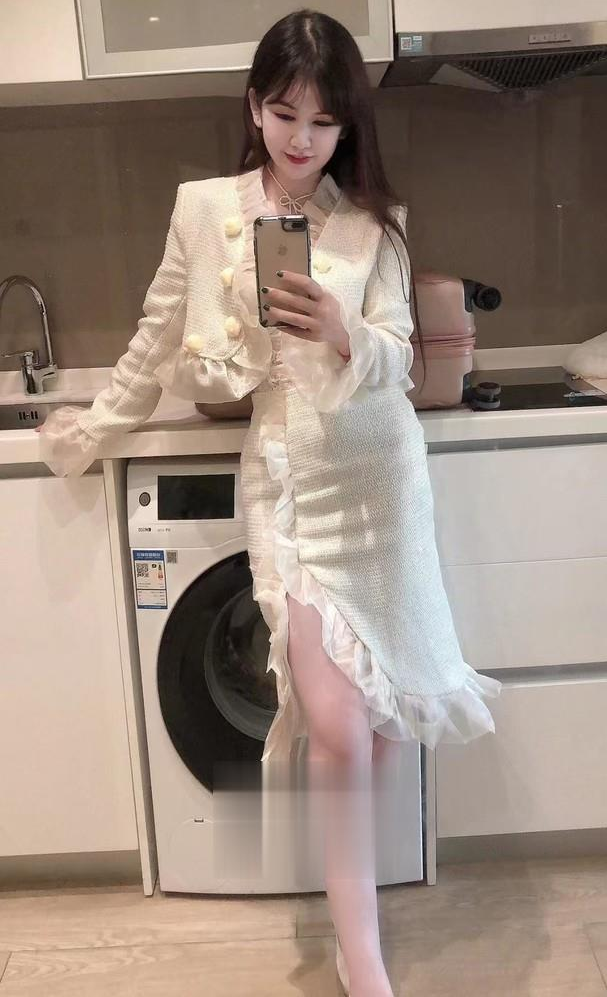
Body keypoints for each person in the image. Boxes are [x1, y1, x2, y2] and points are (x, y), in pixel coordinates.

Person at [38, 10, 502, 996]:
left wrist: (342, 328)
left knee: (380, 731)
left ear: (346, 127)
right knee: (335, 723)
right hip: (291, 489)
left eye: (324, 121)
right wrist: (93, 429)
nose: (302, 138)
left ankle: (353, 920)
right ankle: (361, 952)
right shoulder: (204, 210)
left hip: (382, 489)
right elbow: (158, 341)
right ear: (254, 107)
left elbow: (397, 361)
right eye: (286, 113)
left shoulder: (373, 222)